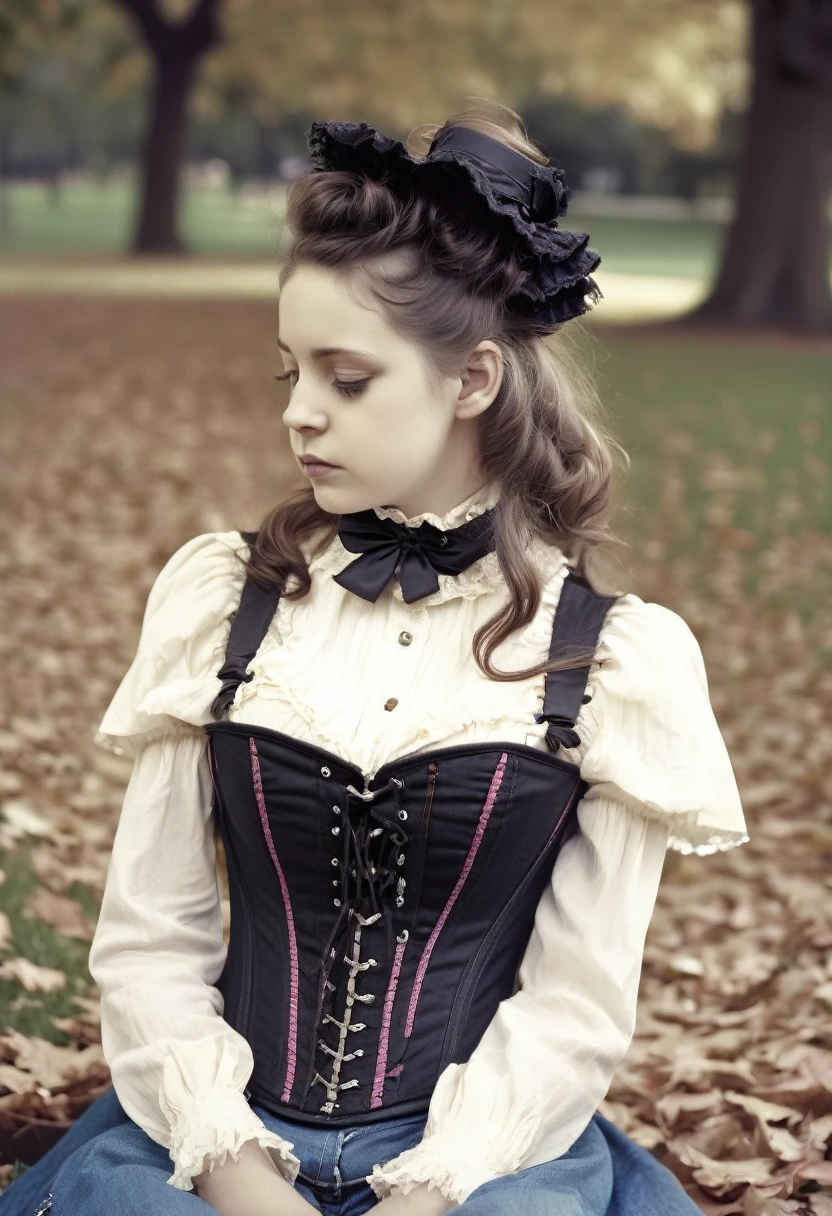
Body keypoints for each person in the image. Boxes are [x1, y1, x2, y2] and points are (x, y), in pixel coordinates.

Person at [2, 98, 748, 1216]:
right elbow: (151, 944)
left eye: (345, 379)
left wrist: (427, 1193)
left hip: (482, 1170)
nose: (300, 414)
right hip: (216, 1152)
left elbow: (571, 1012)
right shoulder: (229, 604)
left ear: (473, 379)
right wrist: (239, 1175)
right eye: (288, 373)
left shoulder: (608, 661)